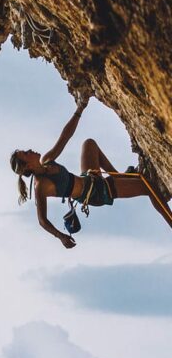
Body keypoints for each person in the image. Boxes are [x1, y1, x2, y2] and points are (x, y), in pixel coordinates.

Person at [10, 98, 172, 248]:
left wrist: (80, 108)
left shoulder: (46, 160)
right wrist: (61, 236)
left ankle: (118, 176)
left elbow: (65, 137)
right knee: (147, 185)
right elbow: (42, 221)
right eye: (26, 153)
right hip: (95, 193)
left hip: (89, 178)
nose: (29, 150)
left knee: (89, 144)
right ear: (26, 167)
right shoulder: (42, 186)